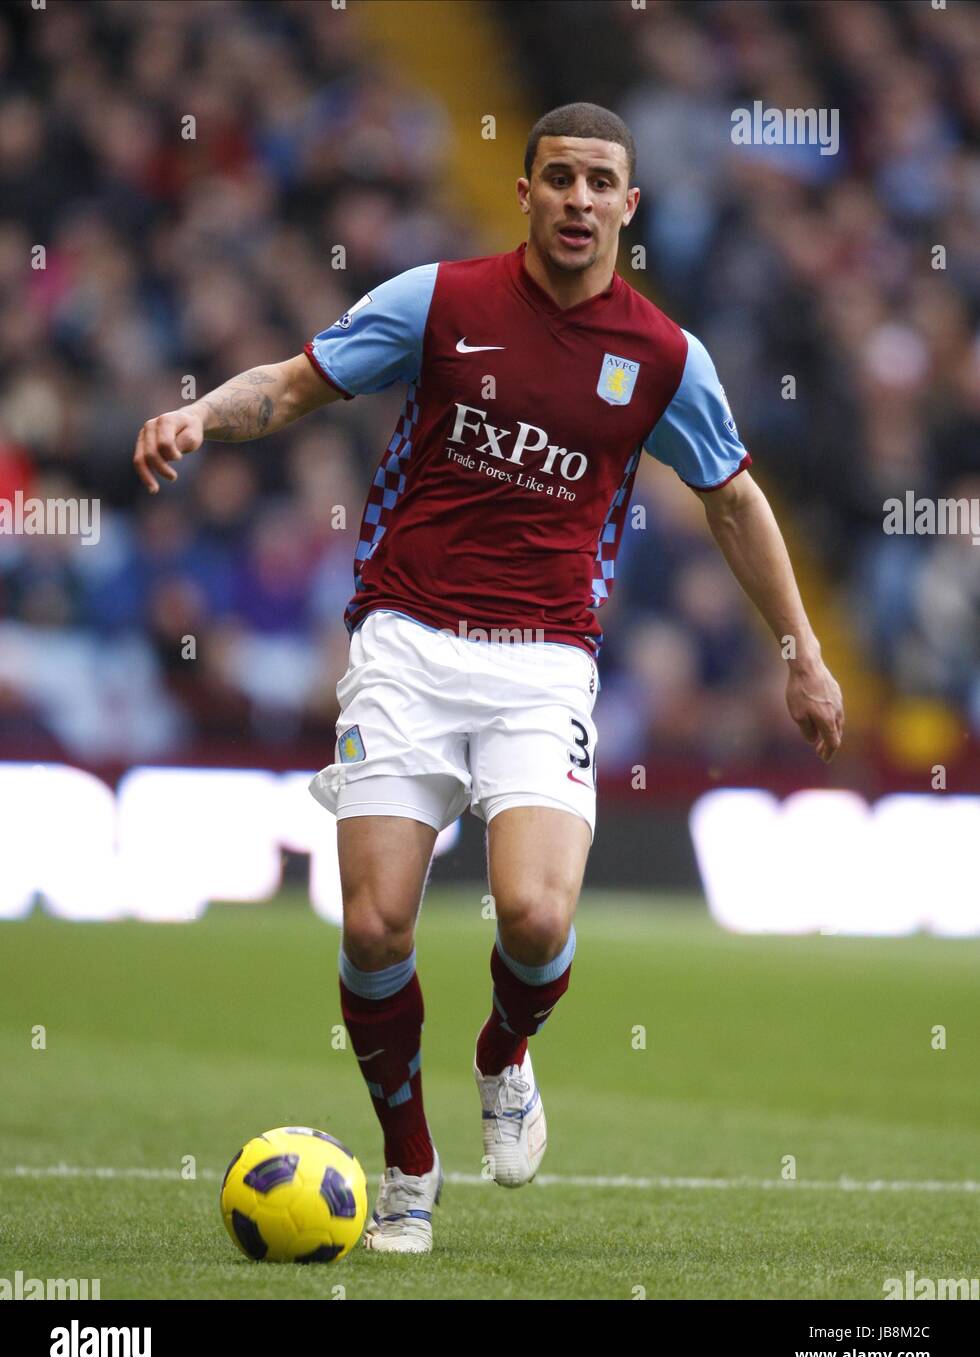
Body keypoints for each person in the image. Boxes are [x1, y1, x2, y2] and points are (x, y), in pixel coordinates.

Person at [133, 102, 844, 1254]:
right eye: (554, 177)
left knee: (532, 910)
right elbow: (298, 383)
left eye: (596, 181)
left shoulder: (663, 355)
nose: (574, 198)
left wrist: (800, 654)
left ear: (627, 204)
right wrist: (202, 415)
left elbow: (732, 499)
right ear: (524, 193)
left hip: (542, 664)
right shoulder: (437, 302)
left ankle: (503, 1054)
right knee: (372, 928)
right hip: (404, 645)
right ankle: (408, 1171)